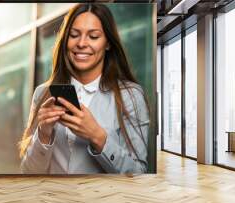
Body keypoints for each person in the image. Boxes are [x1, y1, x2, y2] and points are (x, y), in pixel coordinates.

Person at [19, 3, 150, 174]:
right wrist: (43, 134)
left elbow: (138, 172)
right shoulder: (43, 93)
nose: (81, 43)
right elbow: (28, 173)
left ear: (108, 43)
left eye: (93, 36)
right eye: (74, 35)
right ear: (66, 40)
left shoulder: (131, 96)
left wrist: (97, 136)